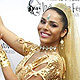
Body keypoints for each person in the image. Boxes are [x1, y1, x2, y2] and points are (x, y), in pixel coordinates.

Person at [0, 3, 80, 80]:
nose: (45, 27)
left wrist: (2, 55)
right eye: (43, 21)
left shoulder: (54, 62)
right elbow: (2, 29)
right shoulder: (34, 50)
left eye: (53, 25)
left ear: (63, 32)